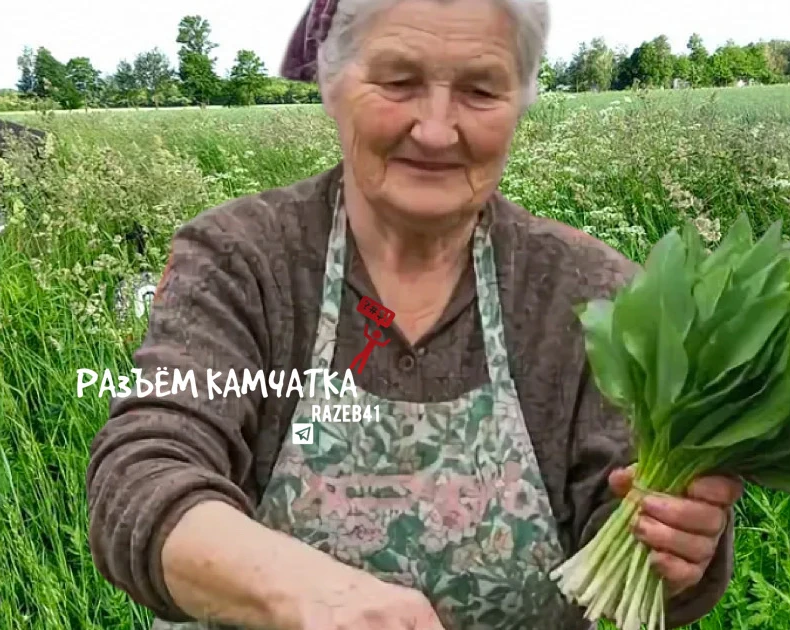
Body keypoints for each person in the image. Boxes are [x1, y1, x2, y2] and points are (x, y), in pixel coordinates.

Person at [85, 0, 743, 628]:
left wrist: (673, 548)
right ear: (332, 83)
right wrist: (311, 596)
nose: (434, 130)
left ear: (521, 101)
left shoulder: (593, 297)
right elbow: (142, 479)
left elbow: (630, 557)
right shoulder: (244, 261)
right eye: (398, 82)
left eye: (480, 91)